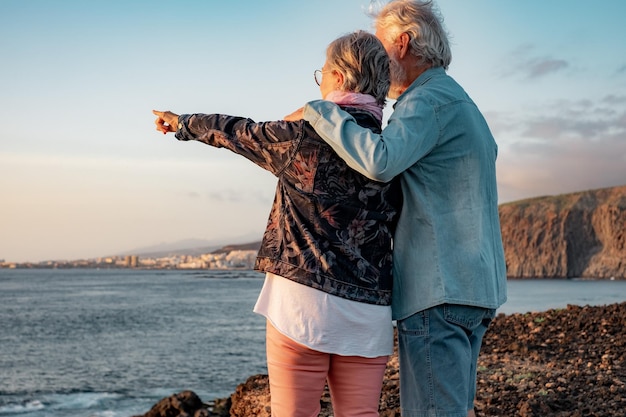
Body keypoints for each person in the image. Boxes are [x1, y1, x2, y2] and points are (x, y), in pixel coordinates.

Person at [153, 31, 401, 417]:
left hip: (301, 305)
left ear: (336, 76)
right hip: (368, 313)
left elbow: (237, 131)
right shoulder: (395, 150)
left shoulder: (301, 138)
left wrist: (183, 123)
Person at [292, 1, 508, 416]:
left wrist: (319, 112)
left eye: (381, 48)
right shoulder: (464, 105)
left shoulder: (425, 102)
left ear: (403, 44)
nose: (377, 62)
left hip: (437, 291)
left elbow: (380, 160)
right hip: (476, 289)